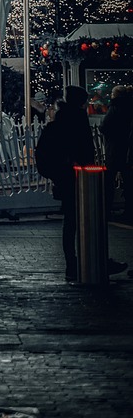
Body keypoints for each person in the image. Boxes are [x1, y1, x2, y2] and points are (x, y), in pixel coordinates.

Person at [42, 86, 127, 281]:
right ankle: (94, 259)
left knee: (71, 222)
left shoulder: (61, 118)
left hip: (66, 177)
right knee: (89, 219)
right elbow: (84, 149)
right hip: (81, 176)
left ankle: (73, 263)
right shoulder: (77, 118)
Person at [101, 85, 133, 221]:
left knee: (109, 180)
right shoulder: (130, 107)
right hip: (127, 148)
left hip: (115, 148)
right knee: (128, 180)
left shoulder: (114, 108)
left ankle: (106, 209)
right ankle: (129, 209)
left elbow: (105, 127)